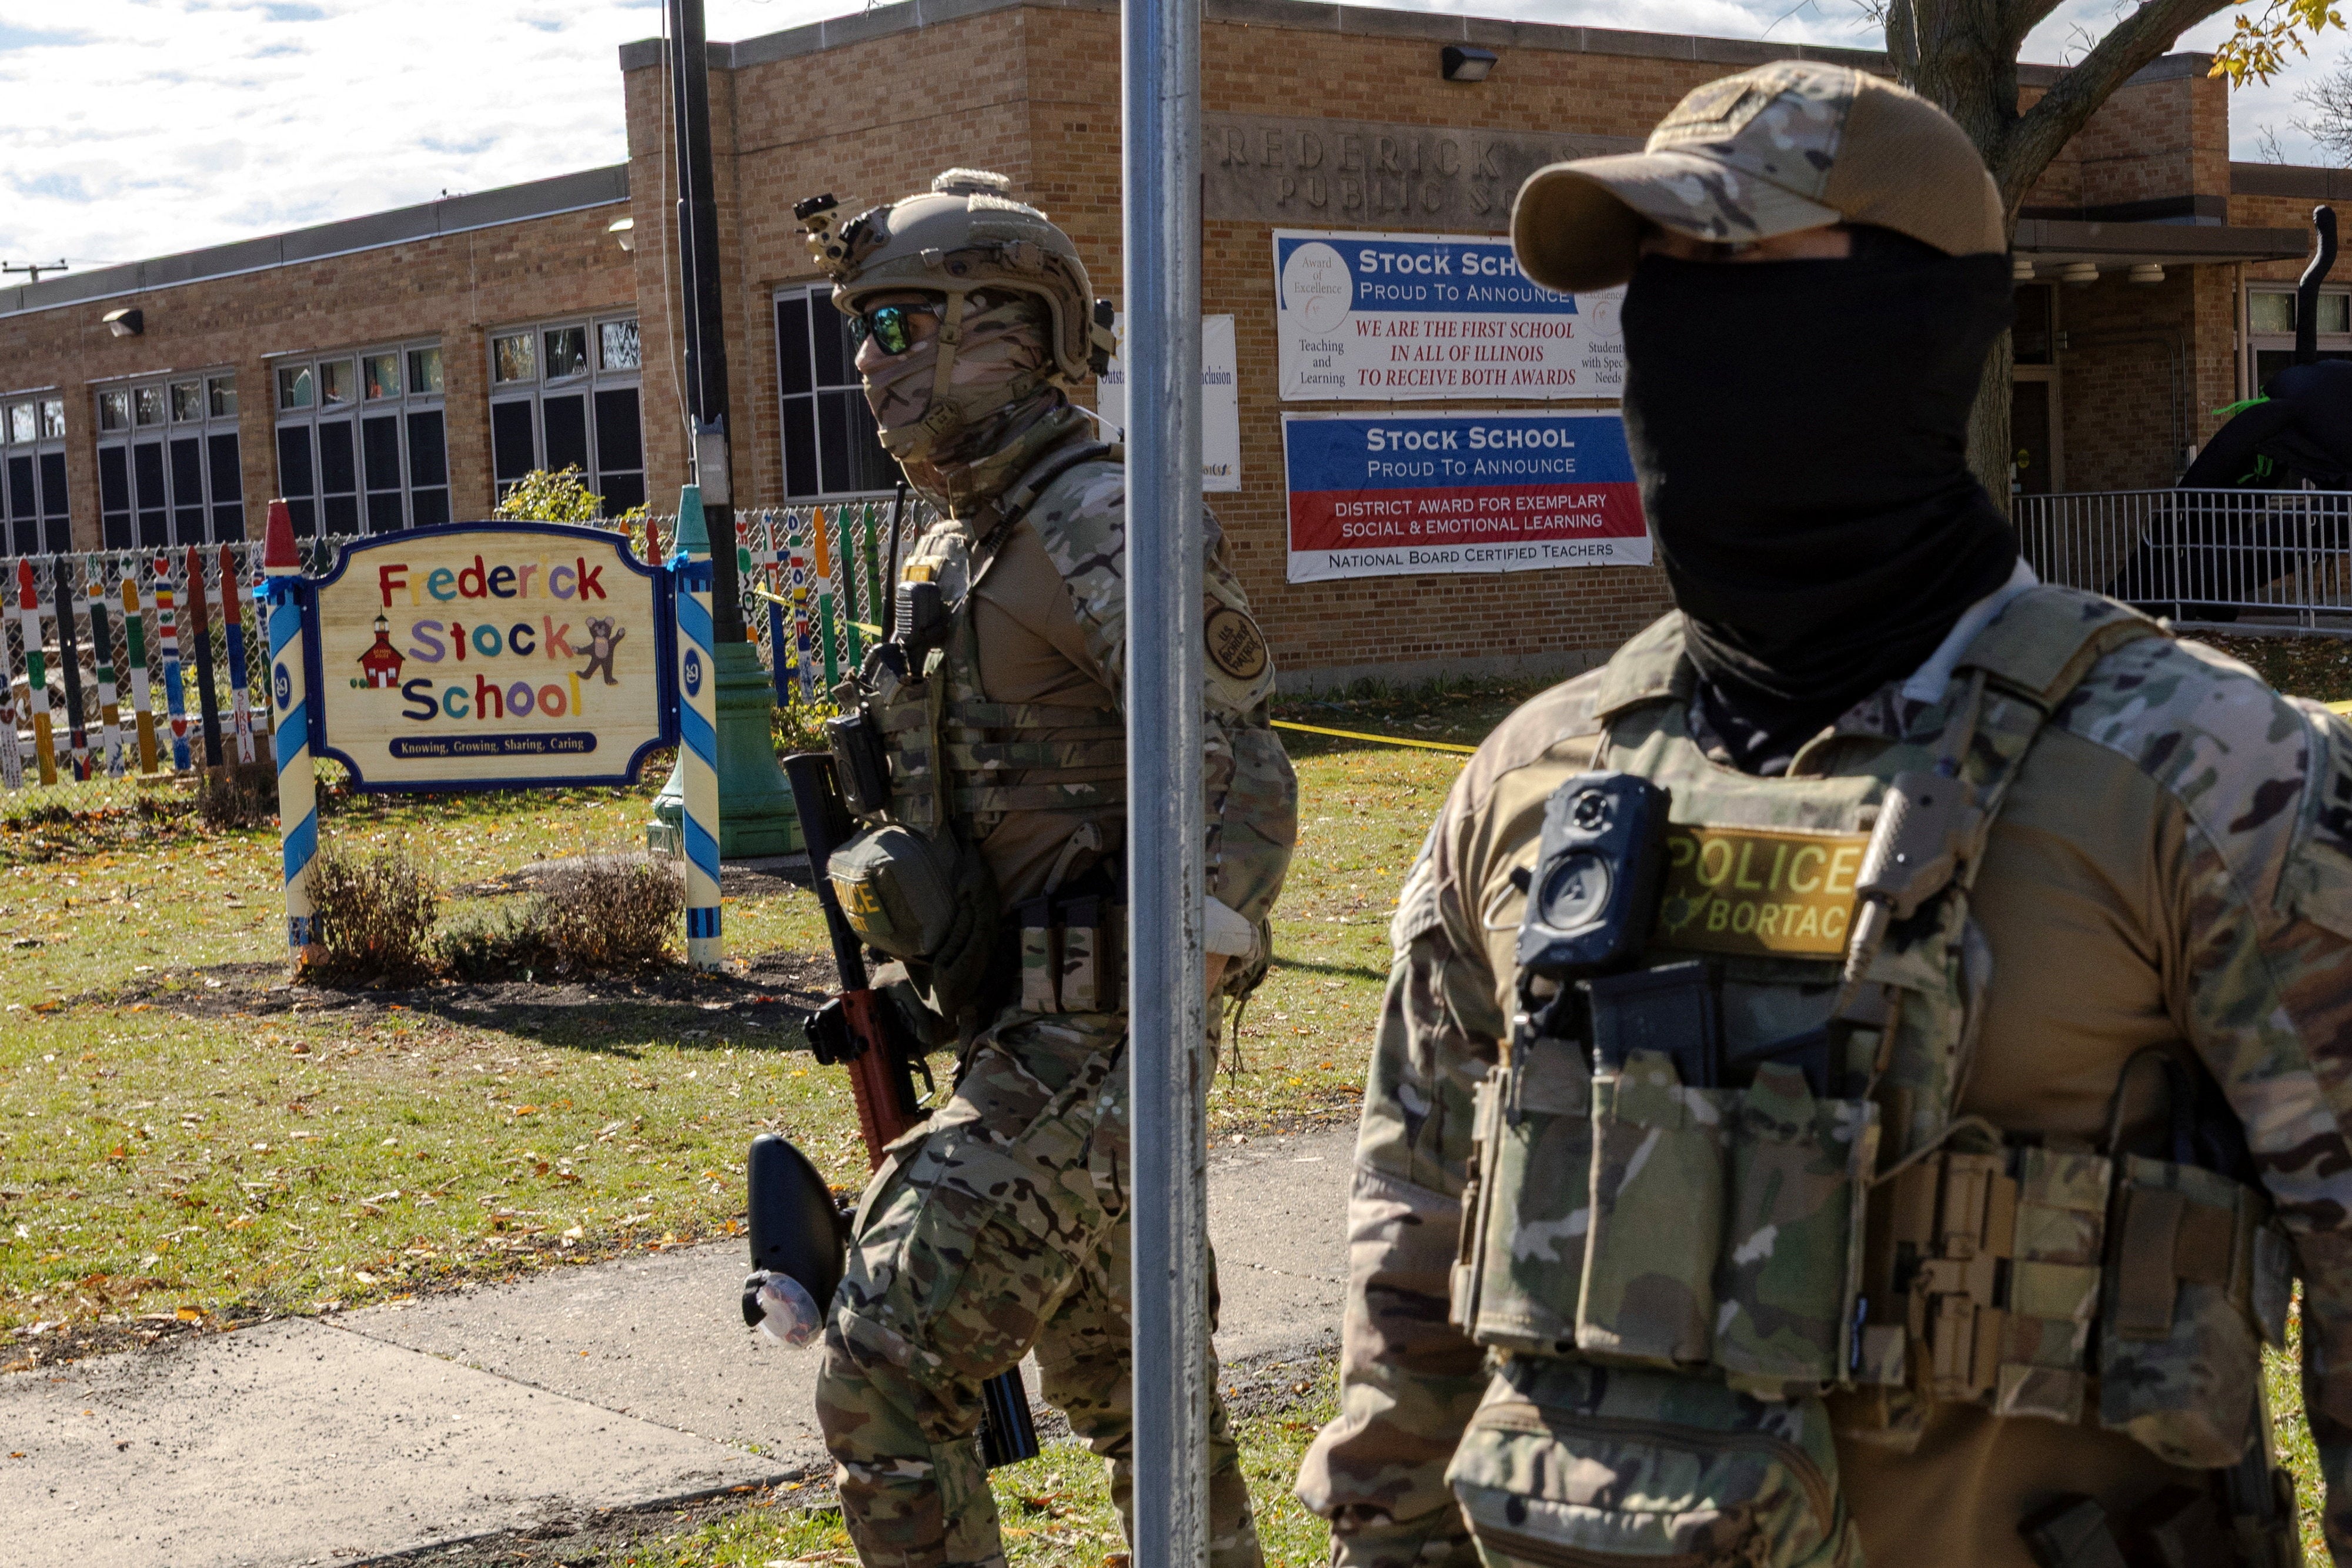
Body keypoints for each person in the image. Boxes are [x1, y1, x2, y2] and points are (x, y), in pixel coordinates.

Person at [1295, 61, 2348, 1568]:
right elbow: (1410, 1261)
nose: (1687, 334)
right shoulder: (1534, 773)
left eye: (1743, 271)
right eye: (1661, 285)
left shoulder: (2202, 771)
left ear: (1925, 325)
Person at [797, 169, 1298, 1568]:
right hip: (1013, 1026)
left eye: (898, 325)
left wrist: (1160, 1009)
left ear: (1010, 328)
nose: (870, 363)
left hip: (1094, 1042)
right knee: (1145, 1395)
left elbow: (1241, 770)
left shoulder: (1097, 517)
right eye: (863, 330)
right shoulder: (957, 545)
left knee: (884, 1367)